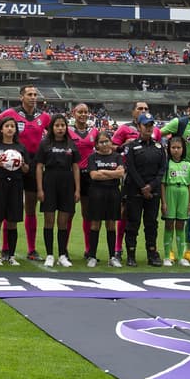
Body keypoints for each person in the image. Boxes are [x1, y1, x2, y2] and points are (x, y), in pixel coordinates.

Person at [0, 84, 51, 260]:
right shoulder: (11, 113)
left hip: (34, 165)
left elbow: (60, 134)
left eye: (35, 94)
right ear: (21, 97)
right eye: (29, 94)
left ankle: (31, 249)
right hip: (14, 163)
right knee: (8, 206)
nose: (33, 97)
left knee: (30, 208)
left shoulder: (44, 117)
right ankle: (5, 248)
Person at [122, 112, 166, 267]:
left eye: (150, 125)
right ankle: (131, 254)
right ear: (139, 126)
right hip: (135, 191)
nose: (148, 128)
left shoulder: (159, 147)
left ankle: (152, 253)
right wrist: (142, 187)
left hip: (153, 193)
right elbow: (131, 169)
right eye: (145, 125)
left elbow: (162, 170)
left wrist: (151, 186)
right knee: (133, 223)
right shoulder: (132, 147)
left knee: (151, 224)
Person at [35, 114, 79, 268]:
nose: (60, 128)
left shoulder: (71, 144)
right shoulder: (44, 144)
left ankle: (62, 255)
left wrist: (77, 189)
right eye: (57, 125)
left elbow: (75, 167)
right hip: (49, 182)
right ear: (51, 127)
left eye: (63, 125)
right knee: (49, 220)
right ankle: (49, 254)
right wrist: (40, 188)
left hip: (67, 183)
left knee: (63, 222)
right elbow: (39, 166)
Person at [0, 116, 28, 266]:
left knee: (12, 222)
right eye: (7, 126)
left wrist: (21, 165)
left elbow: (27, 169)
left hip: (15, 185)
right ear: (1, 129)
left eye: (12, 126)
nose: (10, 129)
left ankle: (11, 255)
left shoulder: (21, 148)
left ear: (15, 130)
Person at [83, 130, 123, 268]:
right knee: (95, 224)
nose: (105, 144)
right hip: (96, 193)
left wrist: (104, 172)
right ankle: (92, 256)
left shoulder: (117, 157)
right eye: (101, 142)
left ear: (111, 142)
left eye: (107, 141)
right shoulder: (92, 158)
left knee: (111, 224)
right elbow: (94, 176)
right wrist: (113, 174)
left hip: (113, 192)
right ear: (97, 145)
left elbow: (120, 173)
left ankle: (112, 257)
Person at [66, 103, 99, 261]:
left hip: (88, 175)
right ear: (74, 113)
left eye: (86, 112)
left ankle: (88, 250)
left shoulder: (94, 132)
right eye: (80, 112)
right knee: (69, 213)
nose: (83, 115)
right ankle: (63, 249)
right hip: (71, 174)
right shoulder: (67, 131)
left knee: (88, 213)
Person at [160, 136, 190, 266]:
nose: (176, 150)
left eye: (178, 148)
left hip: (184, 194)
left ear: (183, 149)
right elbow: (162, 184)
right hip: (170, 192)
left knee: (181, 225)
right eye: (173, 148)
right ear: (169, 149)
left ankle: (181, 256)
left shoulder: (188, 165)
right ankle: (167, 256)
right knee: (169, 224)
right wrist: (163, 202)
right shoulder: (166, 164)